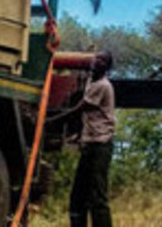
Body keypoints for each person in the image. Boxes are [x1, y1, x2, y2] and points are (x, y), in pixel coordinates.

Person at [66, 50, 116, 227]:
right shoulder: (90, 81)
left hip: (100, 145)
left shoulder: (103, 86)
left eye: (102, 60)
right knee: (78, 195)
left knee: (97, 195)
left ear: (107, 67)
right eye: (96, 58)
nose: (97, 62)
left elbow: (82, 106)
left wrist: (53, 118)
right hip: (88, 144)